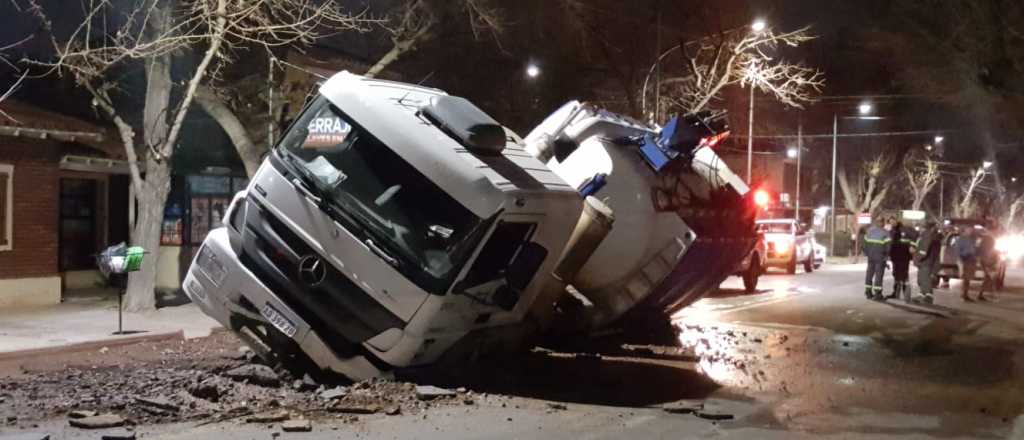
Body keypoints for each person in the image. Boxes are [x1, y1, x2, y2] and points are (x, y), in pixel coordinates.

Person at [863, 216, 892, 300]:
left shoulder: (869, 231)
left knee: (869, 274)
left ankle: (868, 292)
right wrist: (886, 256)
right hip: (880, 257)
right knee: (879, 275)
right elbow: (888, 247)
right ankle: (877, 294)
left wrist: (867, 253)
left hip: (871, 256)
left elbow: (864, 244)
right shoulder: (886, 233)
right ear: (882, 223)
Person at [889, 220, 917, 302]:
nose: (892, 224)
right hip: (897, 257)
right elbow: (891, 244)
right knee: (897, 275)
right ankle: (896, 293)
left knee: (903, 276)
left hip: (903, 256)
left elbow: (914, 236)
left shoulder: (905, 230)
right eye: (891, 222)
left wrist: (912, 246)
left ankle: (906, 295)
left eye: (893, 222)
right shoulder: (892, 231)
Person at [914, 220, 941, 304]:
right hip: (928, 261)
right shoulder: (932, 235)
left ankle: (927, 296)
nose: (919, 229)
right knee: (923, 279)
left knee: (924, 279)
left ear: (924, 227)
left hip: (925, 261)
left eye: (920, 227)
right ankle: (923, 295)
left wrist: (917, 258)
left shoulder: (927, 235)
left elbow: (923, 250)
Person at [955, 226, 980, 301]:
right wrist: (960, 260)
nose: (970, 231)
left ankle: (965, 294)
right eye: (969, 230)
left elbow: (975, 248)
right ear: (965, 230)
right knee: (965, 278)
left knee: (968, 278)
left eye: (971, 230)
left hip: (971, 259)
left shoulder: (972, 239)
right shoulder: (961, 239)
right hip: (964, 259)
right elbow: (957, 250)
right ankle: (964, 295)